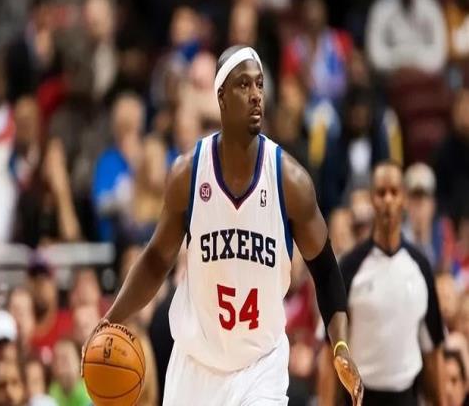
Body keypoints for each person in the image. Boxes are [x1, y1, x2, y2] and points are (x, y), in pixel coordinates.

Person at [83, 45, 363, 405]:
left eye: (259, 84)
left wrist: (340, 345)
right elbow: (155, 260)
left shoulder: (290, 182)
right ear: (221, 97)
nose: (256, 95)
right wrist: (110, 319)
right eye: (243, 85)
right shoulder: (188, 174)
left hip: (259, 368)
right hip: (195, 367)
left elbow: (326, 272)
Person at [318, 161, 445, 406]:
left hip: (407, 396)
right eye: (381, 192)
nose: (388, 200)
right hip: (361, 397)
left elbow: (433, 350)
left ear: (404, 199)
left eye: (394, 192)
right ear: (371, 199)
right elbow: (329, 351)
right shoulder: (349, 267)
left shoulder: (420, 267)